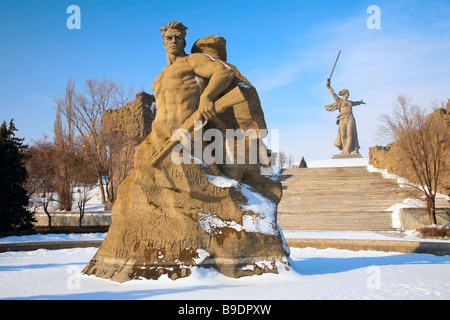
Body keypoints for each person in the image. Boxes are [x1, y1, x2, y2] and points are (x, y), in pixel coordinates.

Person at [325, 78, 365, 155]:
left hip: (350, 118)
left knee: (350, 134)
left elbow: (355, 103)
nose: (348, 95)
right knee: (343, 135)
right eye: (347, 93)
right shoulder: (340, 101)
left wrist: (360, 102)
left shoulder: (350, 102)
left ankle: (348, 150)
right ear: (344, 94)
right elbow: (333, 94)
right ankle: (344, 149)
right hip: (342, 119)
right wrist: (329, 86)